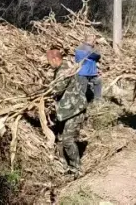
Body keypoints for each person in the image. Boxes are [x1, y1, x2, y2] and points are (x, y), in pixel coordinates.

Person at [47, 48, 87, 176]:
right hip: (67, 110)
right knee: (60, 139)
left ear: (55, 59)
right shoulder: (62, 68)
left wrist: (43, 94)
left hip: (75, 110)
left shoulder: (64, 70)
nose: (49, 64)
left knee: (68, 140)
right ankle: (65, 167)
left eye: (49, 61)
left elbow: (57, 89)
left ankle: (77, 169)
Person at [74, 35, 102, 103]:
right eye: (94, 41)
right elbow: (97, 56)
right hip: (85, 72)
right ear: (90, 41)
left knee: (97, 82)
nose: (95, 43)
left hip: (87, 71)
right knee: (83, 89)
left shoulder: (80, 47)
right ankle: (83, 103)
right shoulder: (87, 48)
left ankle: (95, 100)